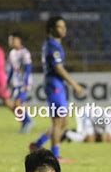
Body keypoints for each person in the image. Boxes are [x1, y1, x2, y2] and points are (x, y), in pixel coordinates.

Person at [30, 16, 84, 162]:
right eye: (60, 26)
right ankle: (55, 156)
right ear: (51, 29)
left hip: (57, 84)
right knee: (58, 121)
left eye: (64, 26)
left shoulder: (52, 44)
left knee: (63, 122)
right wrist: (74, 84)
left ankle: (38, 144)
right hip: (54, 84)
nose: (64, 29)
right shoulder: (52, 46)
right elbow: (58, 67)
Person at [8, 31, 35, 133]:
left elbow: (28, 68)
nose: (11, 42)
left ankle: (28, 121)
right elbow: (11, 69)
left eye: (13, 40)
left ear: (19, 40)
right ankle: (26, 123)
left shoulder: (25, 52)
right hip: (16, 83)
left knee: (18, 103)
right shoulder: (12, 53)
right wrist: (7, 81)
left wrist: (26, 83)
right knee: (15, 106)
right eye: (10, 40)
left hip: (24, 83)